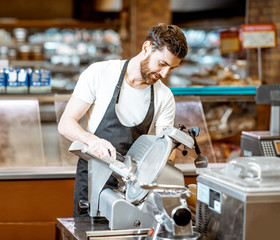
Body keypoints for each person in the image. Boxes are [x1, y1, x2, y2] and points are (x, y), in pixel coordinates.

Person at [58, 23, 188, 217]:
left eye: (171, 68)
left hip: (134, 190)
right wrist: (93, 140)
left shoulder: (164, 96)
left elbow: (166, 148)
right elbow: (66, 123)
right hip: (92, 182)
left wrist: (158, 167)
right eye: (162, 64)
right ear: (147, 48)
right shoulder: (100, 73)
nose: (164, 74)